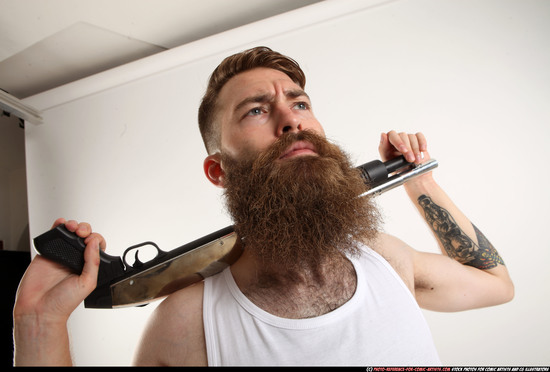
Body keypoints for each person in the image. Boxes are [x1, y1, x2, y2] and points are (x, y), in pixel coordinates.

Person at [13, 47, 514, 366]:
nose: (290, 119)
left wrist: (416, 176)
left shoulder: (386, 257)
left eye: (299, 103)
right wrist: (40, 326)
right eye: (256, 110)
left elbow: (496, 285)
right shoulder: (188, 324)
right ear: (219, 171)